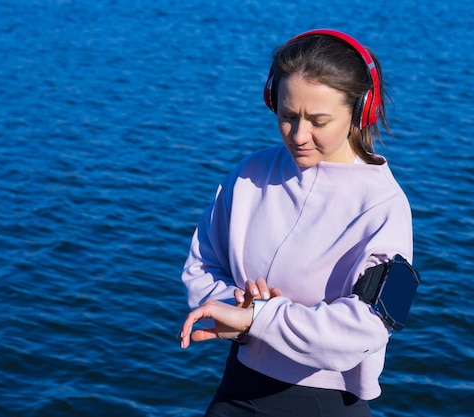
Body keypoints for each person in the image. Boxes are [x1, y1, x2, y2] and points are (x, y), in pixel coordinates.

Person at [177, 28, 416, 417]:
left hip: (325, 404)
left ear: (361, 112)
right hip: (235, 391)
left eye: (318, 121)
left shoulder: (386, 206)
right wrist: (233, 311)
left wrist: (258, 318)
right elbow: (201, 265)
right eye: (287, 116)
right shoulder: (248, 174)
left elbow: (369, 327)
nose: (299, 135)